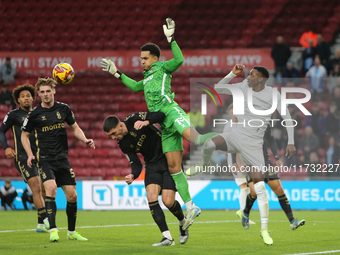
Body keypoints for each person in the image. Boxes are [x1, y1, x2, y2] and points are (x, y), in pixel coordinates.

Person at [101, 18, 218, 229]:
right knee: (174, 169)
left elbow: (180, 60)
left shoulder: (163, 67)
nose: (142, 61)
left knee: (198, 139)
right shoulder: (145, 78)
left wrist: (171, 39)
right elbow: (136, 87)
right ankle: (191, 206)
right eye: (141, 58)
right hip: (162, 125)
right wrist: (117, 73)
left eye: (145, 58)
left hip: (171, 113)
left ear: (155, 58)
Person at [187, 64, 296, 245]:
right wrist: (231, 73)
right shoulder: (243, 86)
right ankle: (203, 165)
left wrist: (291, 141)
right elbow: (219, 88)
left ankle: (264, 230)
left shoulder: (272, 94)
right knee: (209, 143)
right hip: (236, 136)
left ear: (260, 78)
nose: (248, 76)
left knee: (260, 189)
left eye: (252, 74)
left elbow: (287, 118)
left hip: (254, 145)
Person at [21, 77, 95, 242]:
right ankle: (53, 230)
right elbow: (24, 135)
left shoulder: (64, 109)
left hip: (62, 159)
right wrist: (30, 154)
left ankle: (71, 232)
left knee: (73, 196)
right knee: (52, 188)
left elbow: (74, 128)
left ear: (54, 91)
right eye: (42, 92)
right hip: (45, 159)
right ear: (38, 94)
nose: (46, 94)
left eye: (48, 91)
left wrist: (85, 140)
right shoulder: (34, 114)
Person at [103, 112, 189, 246]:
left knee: (168, 201)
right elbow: (135, 162)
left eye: (114, 133)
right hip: (151, 164)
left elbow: (161, 114)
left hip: (168, 159)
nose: (114, 137)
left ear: (120, 125)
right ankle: (167, 238)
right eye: (111, 136)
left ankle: (183, 222)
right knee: (151, 197)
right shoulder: (122, 143)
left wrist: (147, 122)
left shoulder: (134, 119)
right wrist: (133, 174)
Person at [0, 83, 49, 232]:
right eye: (23, 96)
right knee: (35, 186)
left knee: (44, 190)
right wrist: (6, 147)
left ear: (33, 98)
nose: (26, 98)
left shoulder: (39, 113)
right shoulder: (13, 115)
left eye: (29, 96)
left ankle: (41, 225)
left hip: (41, 157)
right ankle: (47, 220)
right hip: (22, 157)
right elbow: (1, 131)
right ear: (18, 100)